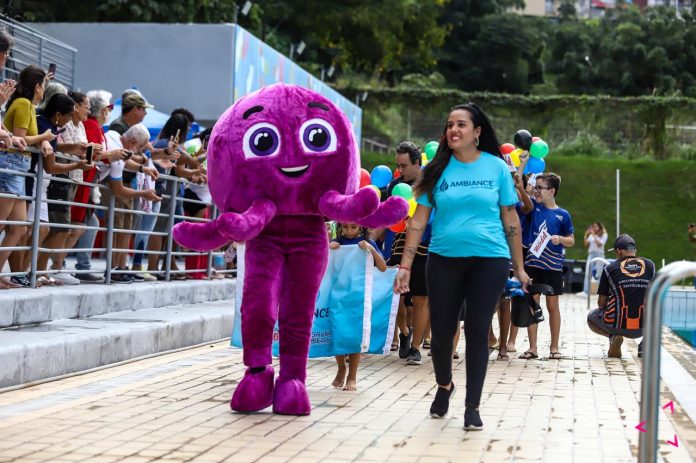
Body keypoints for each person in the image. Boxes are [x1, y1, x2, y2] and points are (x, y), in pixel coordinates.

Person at [393, 103, 530, 430]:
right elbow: (417, 221)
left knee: (479, 329)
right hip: (443, 259)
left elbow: (510, 218)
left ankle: (473, 405)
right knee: (441, 334)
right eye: (450, 124)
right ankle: (444, 385)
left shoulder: (496, 168)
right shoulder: (437, 171)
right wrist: (406, 265)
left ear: (477, 132)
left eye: (461, 125)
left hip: (490, 259)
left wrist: (520, 268)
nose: (453, 130)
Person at [0, 65, 55, 289]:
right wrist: (45, 136)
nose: (44, 90)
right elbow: (20, 138)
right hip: (12, 164)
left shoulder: (29, 106)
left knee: (19, 228)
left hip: (19, 168)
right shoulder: (23, 104)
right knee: (4, 223)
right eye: (44, 85)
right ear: (37, 86)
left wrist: (41, 139)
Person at [517, 172, 575, 361]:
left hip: (553, 266)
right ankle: (533, 347)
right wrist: (521, 186)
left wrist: (561, 239)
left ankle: (554, 346)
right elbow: (524, 201)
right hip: (533, 264)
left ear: (552, 191)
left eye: (540, 188)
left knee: (553, 306)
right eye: (536, 187)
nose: (536, 190)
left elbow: (571, 241)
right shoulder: (535, 209)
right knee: (532, 304)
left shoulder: (563, 215)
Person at [330, 222, 387, 391]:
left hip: (359, 297)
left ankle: (352, 376)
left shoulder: (367, 242)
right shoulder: (337, 242)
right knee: (337, 332)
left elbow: (383, 267)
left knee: (356, 335)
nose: (349, 231)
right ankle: (341, 367)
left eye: (353, 227)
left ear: (361, 227)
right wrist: (330, 248)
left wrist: (371, 249)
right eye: (345, 227)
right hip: (338, 296)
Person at [102, 123, 160, 283]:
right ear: (133, 142)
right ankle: (112, 269)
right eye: (140, 148)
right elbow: (118, 189)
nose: (140, 153)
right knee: (116, 227)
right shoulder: (118, 157)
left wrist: (143, 168)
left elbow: (126, 160)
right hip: (96, 183)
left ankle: (117, 268)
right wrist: (144, 193)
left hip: (94, 181)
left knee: (122, 227)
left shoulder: (113, 135)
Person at [587, 234, 655, 358]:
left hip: (618, 326)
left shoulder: (609, 268)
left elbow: (601, 303)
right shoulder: (650, 265)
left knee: (591, 317)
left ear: (618, 252)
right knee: (656, 308)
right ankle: (644, 345)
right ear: (635, 250)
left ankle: (613, 337)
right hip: (643, 327)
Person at [581, 221, 608, 295]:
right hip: (591, 254)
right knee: (588, 272)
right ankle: (585, 291)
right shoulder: (591, 235)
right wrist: (586, 235)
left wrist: (593, 234)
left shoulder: (604, 235)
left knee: (600, 273)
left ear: (600, 227)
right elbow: (586, 244)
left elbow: (599, 244)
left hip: (600, 254)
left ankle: (600, 292)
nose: (594, 228)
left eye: (596, 226)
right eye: (593, 227)